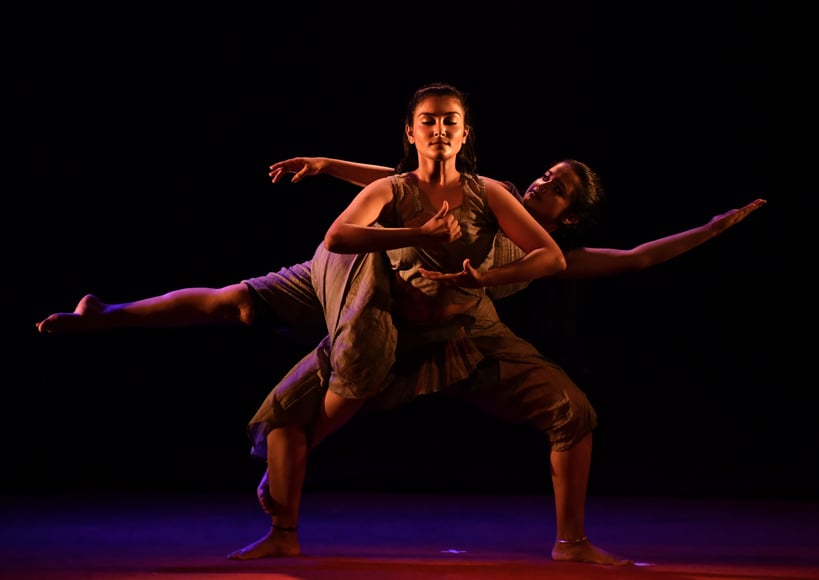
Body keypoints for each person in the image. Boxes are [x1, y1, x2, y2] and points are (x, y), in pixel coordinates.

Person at [34, 84, 766, 566]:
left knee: (569, 410)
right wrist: (330, 166)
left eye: (558, 187)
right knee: (244, 305)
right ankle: (114, 317)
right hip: (371, 290)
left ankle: (569, 541)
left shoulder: (550, 248)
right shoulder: (489, 192)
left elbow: (635, 259)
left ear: (569, 213)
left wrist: (709, 228)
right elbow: (406, 183)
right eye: (544, 173)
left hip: (450, 332)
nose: (542, 182)